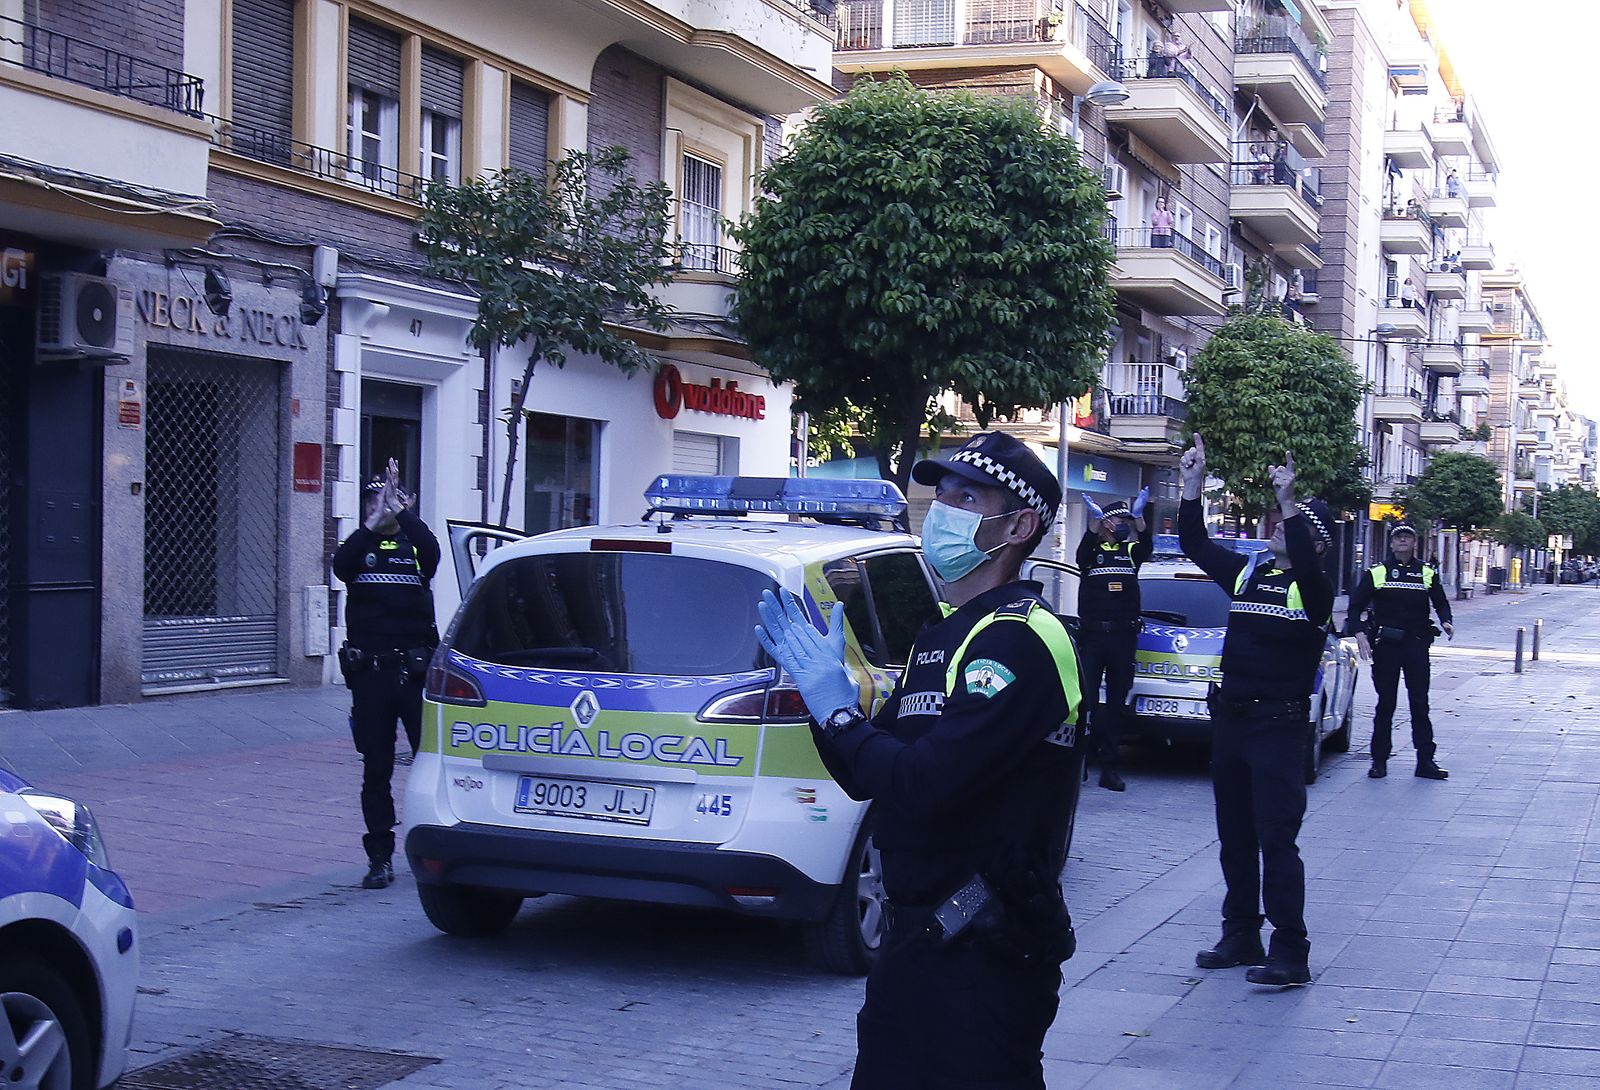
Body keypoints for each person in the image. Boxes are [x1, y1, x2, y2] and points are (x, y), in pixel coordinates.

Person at [755, 431, 1083, 1090]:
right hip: (921, 946)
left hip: (984, 950)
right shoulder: (944, 635)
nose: (941, 510)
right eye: (940, 494)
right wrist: (829, 708)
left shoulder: (1021, 640)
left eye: (967, 496)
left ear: (1019, 524)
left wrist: (842, 717)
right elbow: (868, 770)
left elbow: (924, 784)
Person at [1177, 435, 1334, 988]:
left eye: (1288, 524)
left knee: (1277, 840)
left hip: (1278, 727)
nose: (1274, 524)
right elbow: (1195, 543)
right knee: (1234, 838)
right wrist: (1192, 488)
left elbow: (1313, 570)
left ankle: (1290, 949)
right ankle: (1240, 932)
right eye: (1275, 517)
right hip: (1233, 722)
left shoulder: (1315, 589)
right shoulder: (1248, 574)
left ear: (1315, 544)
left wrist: (1292, 502)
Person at [332, 459, 441, 889]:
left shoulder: (416, 546)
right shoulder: (359, 549)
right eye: (372, 501)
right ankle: (380, 858)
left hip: (413, 674)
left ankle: (431, 848)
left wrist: (405, 514)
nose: (378, 508)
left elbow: (433, 555)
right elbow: (341, 566)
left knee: (427, 764)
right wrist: (370, 525)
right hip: (372, 676)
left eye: (385, 500)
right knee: (375, 768)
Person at [1345, 524, 1454, 780]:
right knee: (1386, 704)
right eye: (1398, 537)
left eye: (1407, 536)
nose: (1403, 540)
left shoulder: (1426, 572)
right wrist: (1360, 633)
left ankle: (1425, 761)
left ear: (1414, 543)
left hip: (1416, 644)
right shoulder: (1378, 572)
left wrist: (1446, 621)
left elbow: (1440, 601)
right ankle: (1379, 761)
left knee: (1420, 703)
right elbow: (1354, 607)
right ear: (1391, 543)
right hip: (1387, 646)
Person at [1077, 489, 1153, 791]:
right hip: (1094, 636)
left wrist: (1139, 517)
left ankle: (1110, 767)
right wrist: (1091, 524)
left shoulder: (1131, 552)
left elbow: (1146, 546)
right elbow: (1081, 558)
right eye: (1120, 519)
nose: (1124, 524)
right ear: (1107, 523)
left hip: (1122, 637)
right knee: (1088, 702)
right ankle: (1082, 759)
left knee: (1117, 704)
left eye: (1126, 519)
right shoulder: (1091, 553)